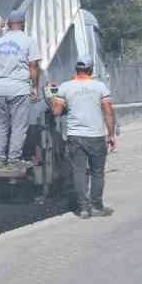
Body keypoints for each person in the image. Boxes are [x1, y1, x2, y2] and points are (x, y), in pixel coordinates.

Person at [50, 55, 117, 218]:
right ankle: (96, 206)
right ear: (91, 69)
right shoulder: (100, 87)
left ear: (77, 69)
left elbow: (56, 112)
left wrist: (53, 98)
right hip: (96, 136)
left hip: (75, 136)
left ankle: (83, 208)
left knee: (79, 172)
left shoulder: (65, 87)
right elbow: (108, 112)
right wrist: (111, 134)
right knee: (97, 172)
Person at [0, 8, 43, 168]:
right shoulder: (28, 41)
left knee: (1, 125)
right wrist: (35, 87)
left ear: (9, 25)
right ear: (23, 24)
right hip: (19, 89)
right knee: (18, 126)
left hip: (0, 89)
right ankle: (13, 160)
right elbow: (33, 66)